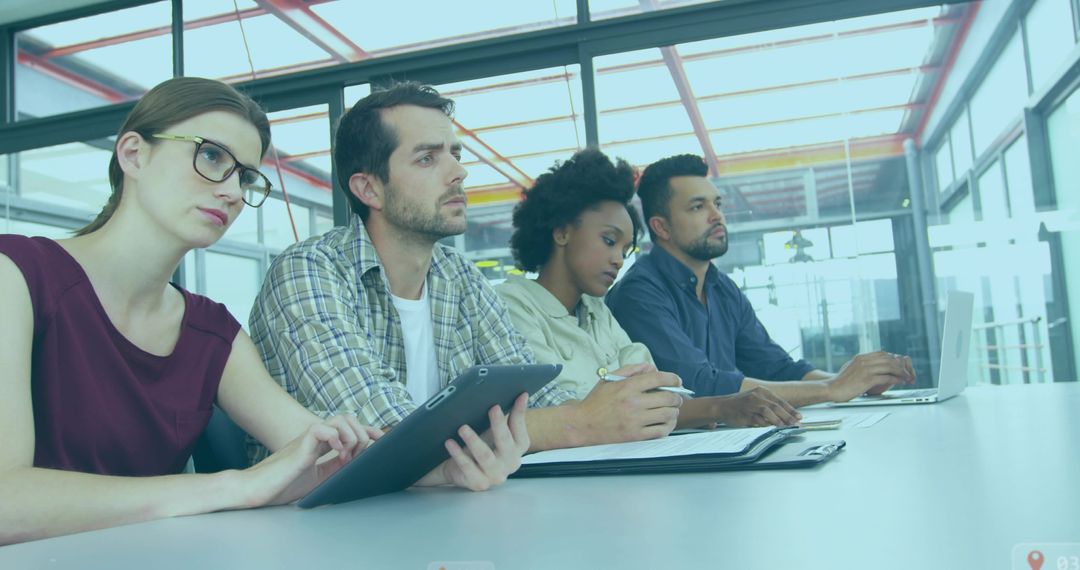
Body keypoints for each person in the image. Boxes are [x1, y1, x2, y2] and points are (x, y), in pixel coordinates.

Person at [0, 78, 525, 545]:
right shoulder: (16, 276)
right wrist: (234, 485)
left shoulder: (211, 332)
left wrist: (447, 471)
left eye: (245, 176)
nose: (231, 191)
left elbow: (328, 456)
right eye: (210, 157)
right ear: (133, 155)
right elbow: (7, 500)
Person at [249, 82, 682, 456]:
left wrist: (612, 406)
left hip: (441, 513)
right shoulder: (308, 273)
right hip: (321, 530)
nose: (459, 172)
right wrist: (580, 422)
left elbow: (535, 393)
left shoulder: (458, 276)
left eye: (454, 154)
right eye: (427, 158)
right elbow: (385, 437)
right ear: (369, 188)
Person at [496, 149, 801, 428]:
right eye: (609, 240)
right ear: (562, 232)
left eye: (625, 249)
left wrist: (717, 407)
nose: (618, 260)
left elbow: (660, 397)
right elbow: (559, 415)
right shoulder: (512, 308)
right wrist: (717, 407)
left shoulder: (598, 313)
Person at [606, 154, 916, 407]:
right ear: (661, 227)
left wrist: (854, 382)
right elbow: (698, 386)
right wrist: (833, 388)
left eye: (718, 204)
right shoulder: (639, 293)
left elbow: (777, 368)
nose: (717, 216)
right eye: (698, 207)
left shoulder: (722, 289)